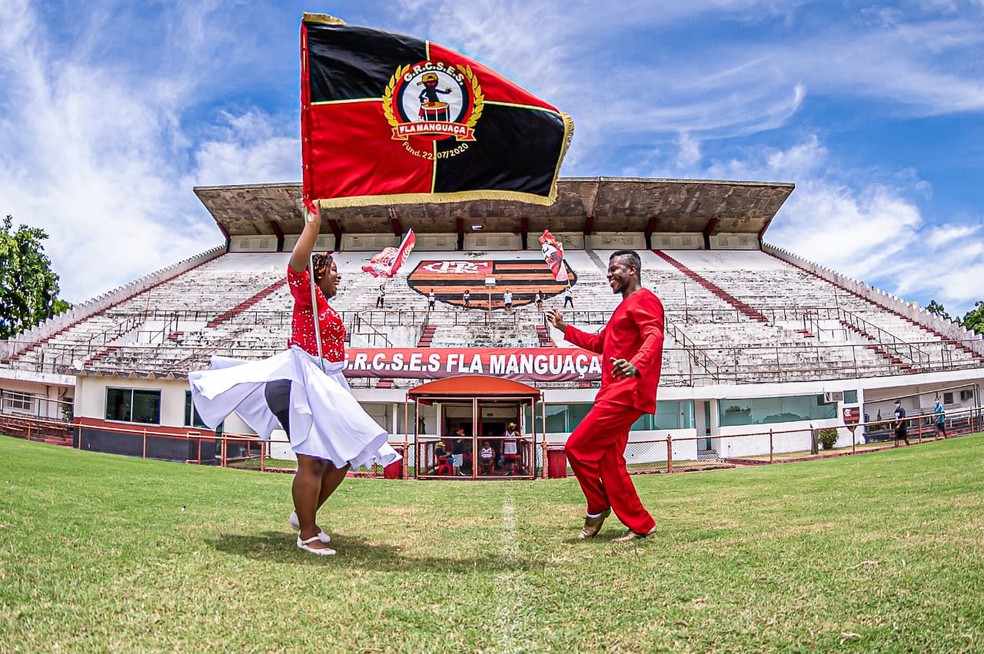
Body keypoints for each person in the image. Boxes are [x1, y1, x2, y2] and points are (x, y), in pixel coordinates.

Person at [189, 208, 398, 556]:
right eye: (333, 270)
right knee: (313, 461)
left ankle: (305, 515)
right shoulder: (309, 297)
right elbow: (296, 268)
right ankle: (307, 532)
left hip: (322, 384)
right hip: (295, 383)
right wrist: (313, 225)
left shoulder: (326, 309)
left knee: (342, 458)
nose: (338, 277)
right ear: (317, 274)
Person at [546, 250, 663, 542]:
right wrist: (564, 329)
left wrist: (635, 364)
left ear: (632, 270)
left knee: (576, 448)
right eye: (609, 269)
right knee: (610, 462)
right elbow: (601, 344)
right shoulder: (622, 309)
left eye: (615, 269)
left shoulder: (644, 299)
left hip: (625, 392)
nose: (609, 274)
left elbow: (654, 335)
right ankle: (641, 524)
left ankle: (597, 507)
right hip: (614, 392)